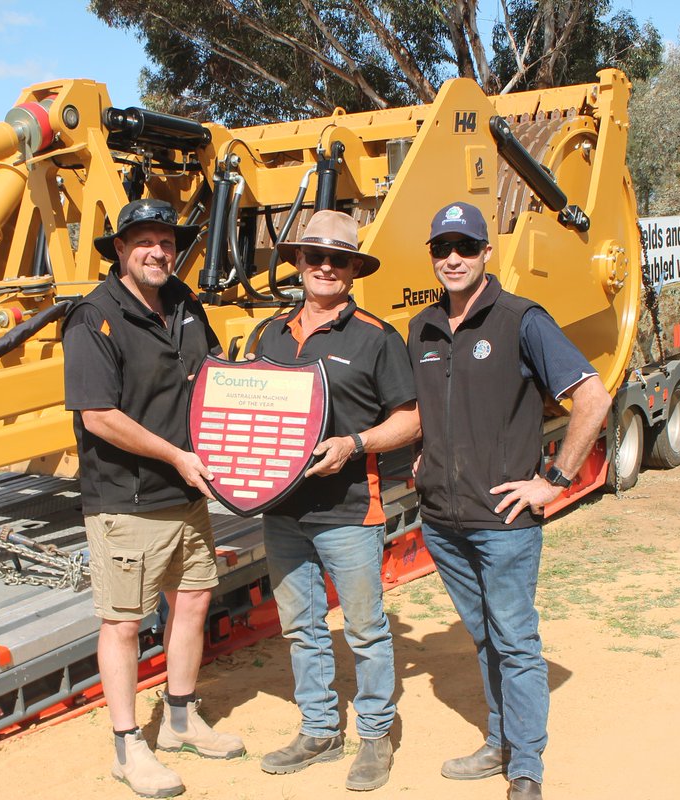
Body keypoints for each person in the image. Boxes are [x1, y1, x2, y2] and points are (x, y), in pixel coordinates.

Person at [407, 201, 612, 800]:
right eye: (442, 248)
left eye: (465, 247)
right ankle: (499, 741)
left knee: (516, 641)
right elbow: (426, 410)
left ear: (486, 253)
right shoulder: (422, 328)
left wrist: (556, 478)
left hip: (503, 522)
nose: (452, 259)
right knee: (484, 636)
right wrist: (429, 452)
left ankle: (526, 767)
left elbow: (593, 398)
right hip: (442, 521)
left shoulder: (523, 320)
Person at [63, 198, 245, 798]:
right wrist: (175, 456)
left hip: (188, 492)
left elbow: (216, 372)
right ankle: (127, 747)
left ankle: (182, 721)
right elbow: (97, 416)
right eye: (142, 241)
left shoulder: (186, 305)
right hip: (127, 499)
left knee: (192, 601)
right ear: (119, 249)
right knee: (122, 624)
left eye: (165, 240)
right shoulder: (95, 317)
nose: (156, 251)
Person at [254, 210, 420, 791]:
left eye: (338, 259)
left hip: (350, 510)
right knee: (301, 627)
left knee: (365, 628)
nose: (325, 267)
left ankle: (375, 736)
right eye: (314, 257)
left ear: (352, 269)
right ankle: (320, 729)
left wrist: (355, 444)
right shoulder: (269, 335)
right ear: (297, 264)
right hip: (280, 512)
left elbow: (411, 418)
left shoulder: (376, 337)